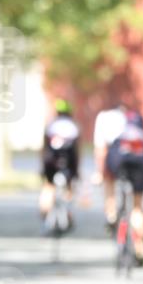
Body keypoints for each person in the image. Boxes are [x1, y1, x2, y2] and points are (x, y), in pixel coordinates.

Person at [93, 103, 143, 260]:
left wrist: (100, 173)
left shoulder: (104, 118)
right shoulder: (138, 119)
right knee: (138, 206)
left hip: (118, 156)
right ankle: (139, 248)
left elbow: (101, 150)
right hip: (140, 157)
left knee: (109, 180)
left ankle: (111, 215)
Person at [39, 98, 81, 228]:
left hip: (51, 161)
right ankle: (68, 212)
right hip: (68, 161)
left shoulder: (50, 125)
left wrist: (42, 166)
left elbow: (44, 147)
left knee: (48, 186)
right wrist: (77, 170)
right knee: (69, 185)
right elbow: (77, 150)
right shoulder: (74, 126)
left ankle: (45, 212)